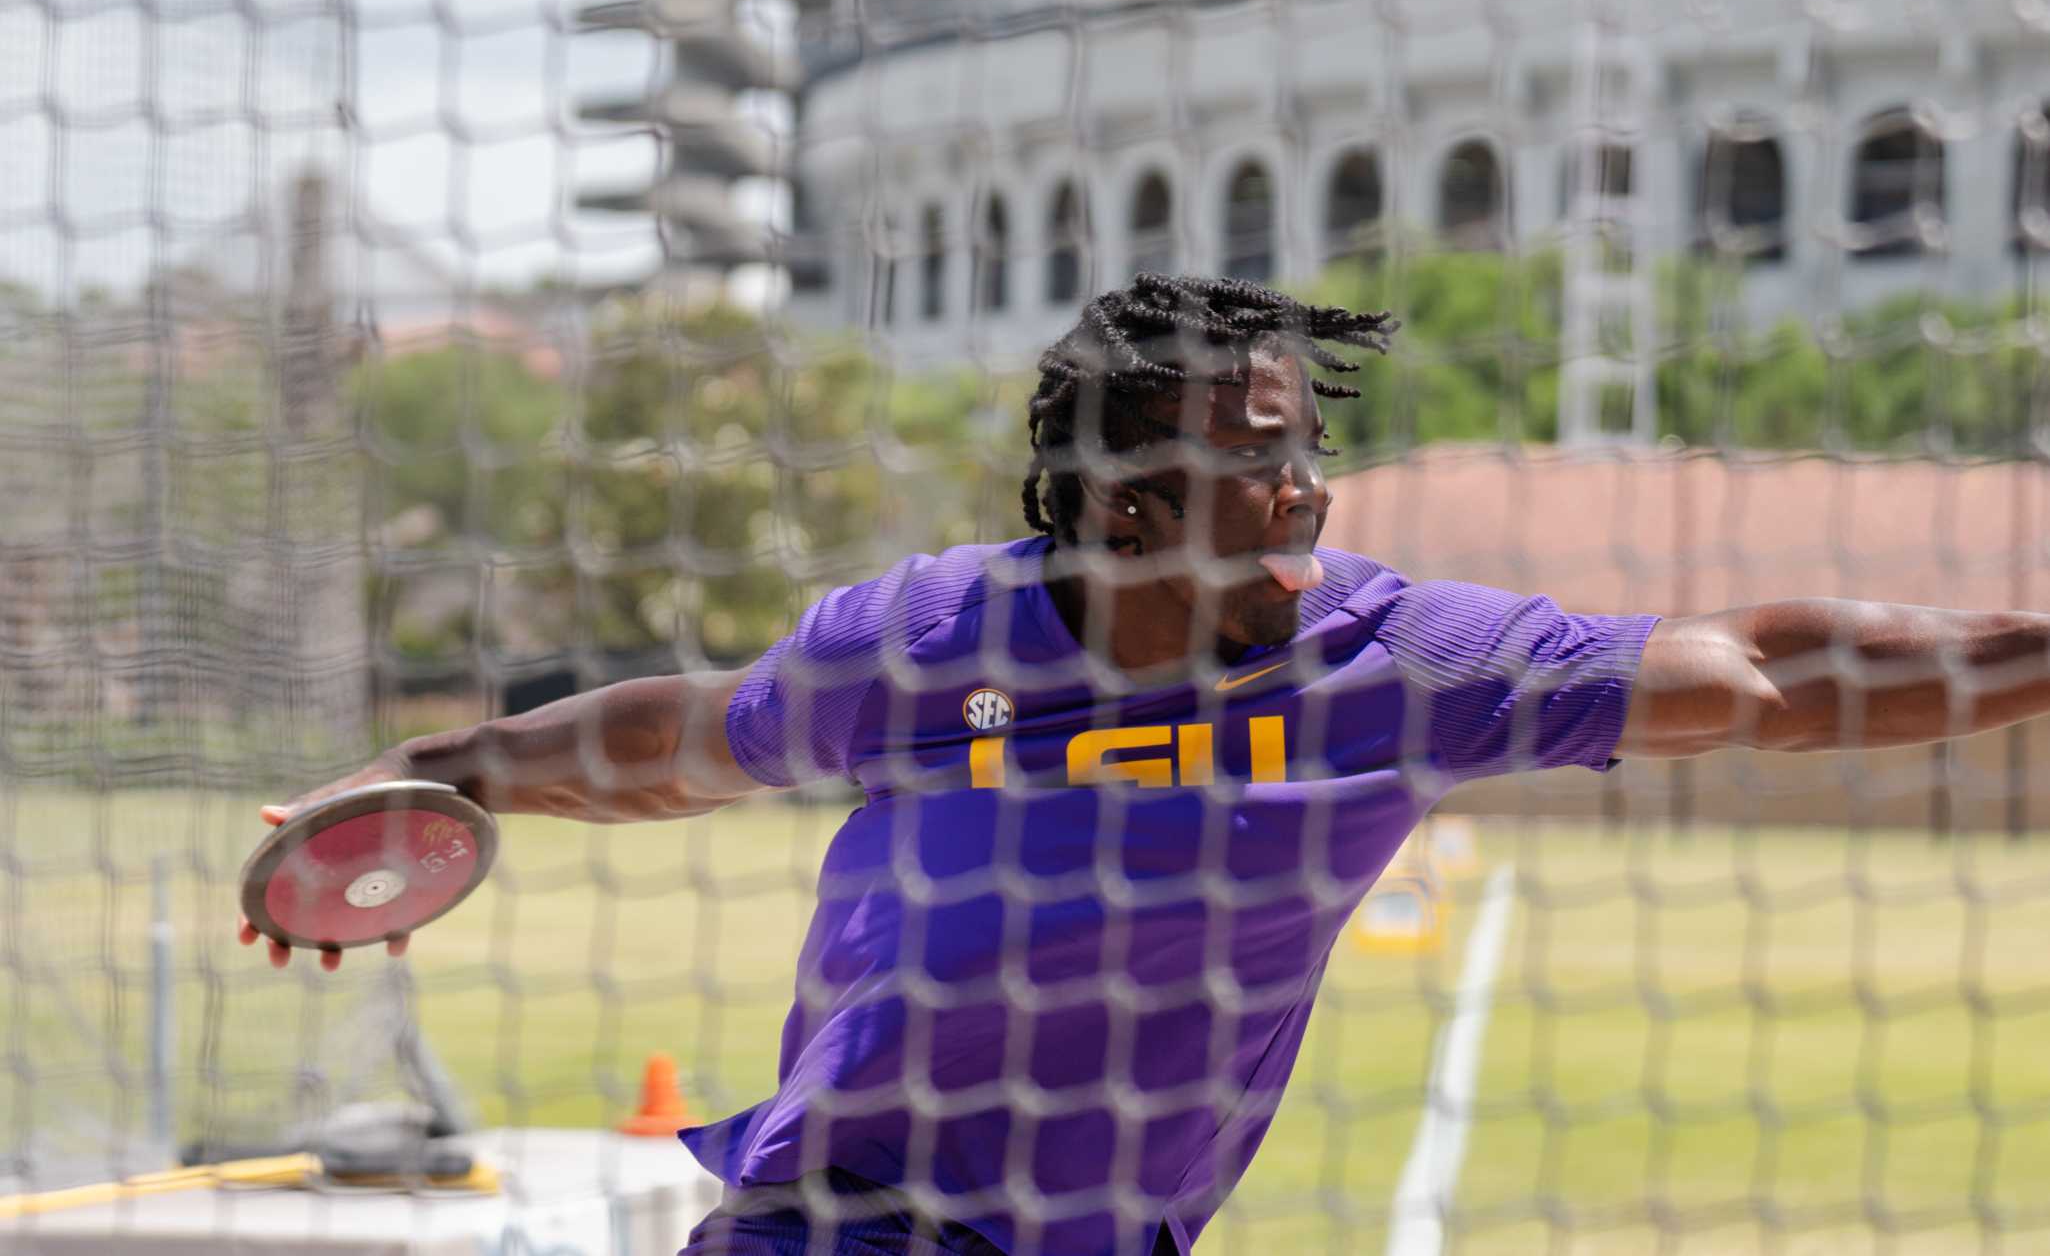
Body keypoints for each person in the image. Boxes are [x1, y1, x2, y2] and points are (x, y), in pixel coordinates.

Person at [241, 274, 2050, 1255]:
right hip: (846, 1225)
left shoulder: (1403, 663)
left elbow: (1761, 677)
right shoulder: (928, 638)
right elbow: (679, 743)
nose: (1305, 490)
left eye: (1304, 451)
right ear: (1121, 500)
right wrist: (448, 768)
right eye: (1257, 461)